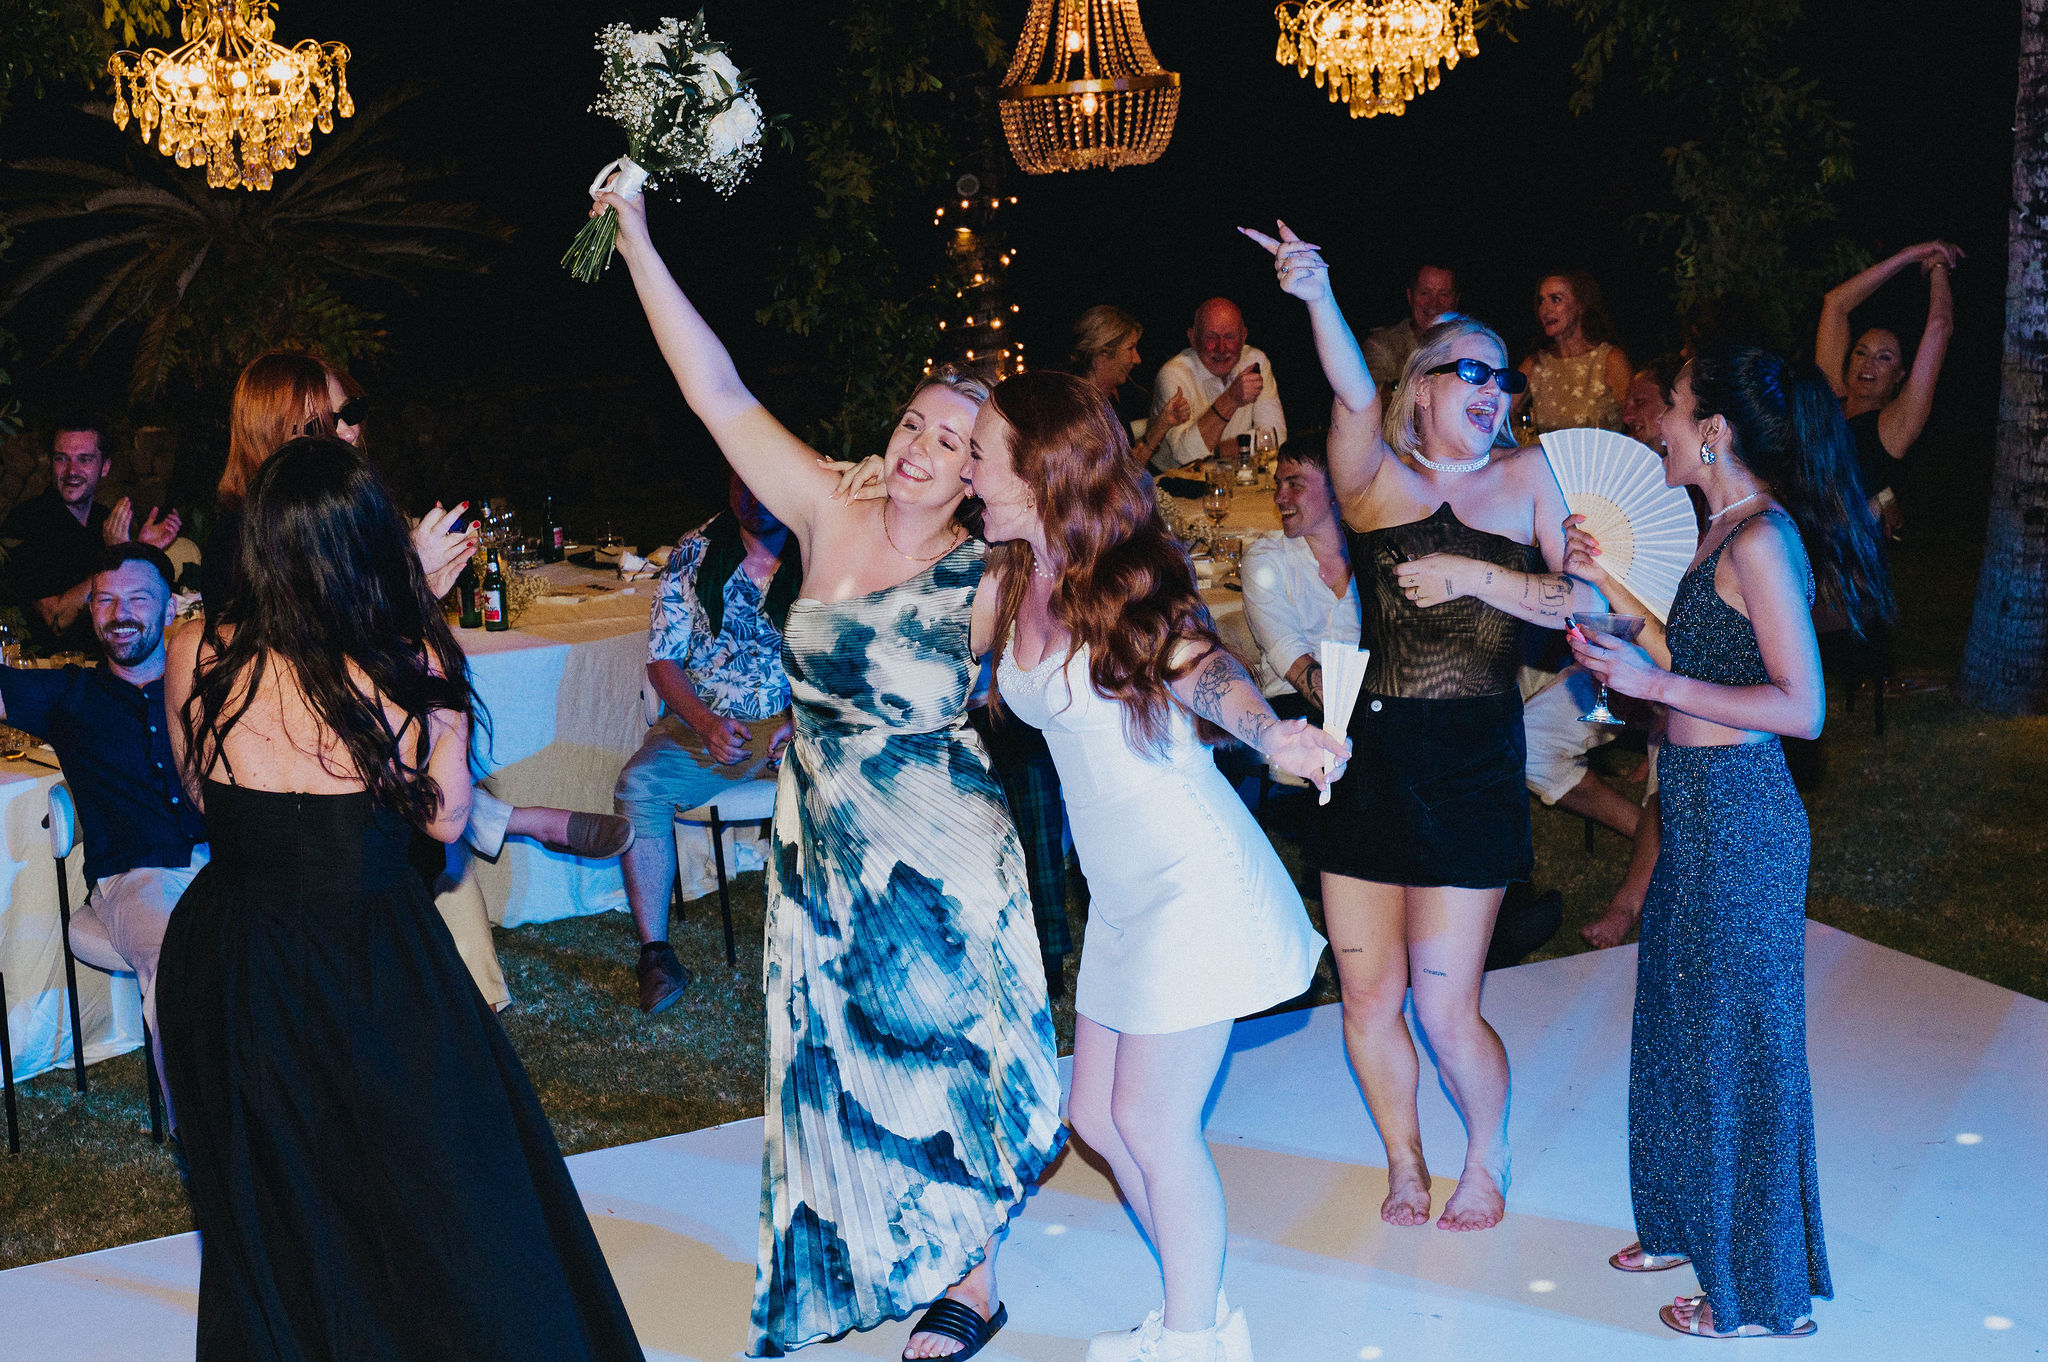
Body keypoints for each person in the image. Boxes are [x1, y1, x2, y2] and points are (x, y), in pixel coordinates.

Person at [597, 183, 1063, 1361]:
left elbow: (1104, 610)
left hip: (939, 842)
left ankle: (972, 1282)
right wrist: (636, 239)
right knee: (838, 1050)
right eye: (912, 423)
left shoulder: (994, 572)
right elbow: (715, 390)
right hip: (821, 836)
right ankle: (873, 1242)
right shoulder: (823, 507)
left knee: (945, 1044)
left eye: (950, 441)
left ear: (981, 471)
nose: (916, 448)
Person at [158, 436, 645, 1361]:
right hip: (364, 958)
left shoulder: (197, 649)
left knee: (274, 1201)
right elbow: (446, 820)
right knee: (443, 1195)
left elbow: (198, 793)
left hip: (231, 955)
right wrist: (420, 625)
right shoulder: (400, 664)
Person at [966, 370, 1343, 1362]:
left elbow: (1199, 665)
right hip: (1124, 894)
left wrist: (1272, 733)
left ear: (1040, 469)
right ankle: (1198, 1305)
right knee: (1093, 1113)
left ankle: (1192, 1337)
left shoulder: (1125, 575)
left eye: (979, 454)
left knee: (1148, 1118)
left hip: (1190, 877)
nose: (967, 470)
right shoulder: (1014, 570)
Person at [1243, 221, 1609, 1234]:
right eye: (1469, 372)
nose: (1493, 390)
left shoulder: (1530, 477)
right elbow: (1351, 395)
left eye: (1502, 377)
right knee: (1369, 999)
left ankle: (1485, 1154)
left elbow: (1583, 603)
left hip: (1471, 763)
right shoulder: (1373, 481)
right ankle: (1405, 1159)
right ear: (1422, 388)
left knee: (1447, 1011)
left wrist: (1475, 576)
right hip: (1368, 760)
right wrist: (1315, 294)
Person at [1569, 345, 1891, 1339]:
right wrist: (1615, 616)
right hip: (1695, 805)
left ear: (1711, 430)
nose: (1654, 424)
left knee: (1734, 1049)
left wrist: (1655, 684)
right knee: (1675, 1025)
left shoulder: (1760, 539)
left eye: (1667, 407)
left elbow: (1801, 707)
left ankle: (1756, 1295)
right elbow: (1704, 655)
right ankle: (1681, 1224)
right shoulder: (1718, 530)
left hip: (1743, 815)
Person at [213, 351, 634, 867]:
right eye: (326, 421)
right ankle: (510, 819)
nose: (349, 430)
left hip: (376, 760)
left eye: (353, 412)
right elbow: (314, 668)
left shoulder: (349, 514)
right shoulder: (243, 540)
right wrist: (410, 578)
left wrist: (419, 587)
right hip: (324, 796)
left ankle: (501, 817)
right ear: (274, 433)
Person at [0, 543, 206, 1104]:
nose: (120, 614)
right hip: (137, 879)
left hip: (226, 863)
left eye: (138, 599)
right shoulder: (70, 694)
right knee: (177, 965)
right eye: (105, 600)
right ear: (90, 610)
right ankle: (205, 1132)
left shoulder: (208, 683)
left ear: (170, 609)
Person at [615, 471, 798, 1014]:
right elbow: (663, 659)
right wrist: (703, 721)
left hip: (796, 719)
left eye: (763, 479)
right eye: (741, 482)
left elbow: (843, 651)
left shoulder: (820, 546)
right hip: (710, 721)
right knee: (638, 786)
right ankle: (655, 955)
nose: (753, 495)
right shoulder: (695, 552)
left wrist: (802, 719)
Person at [1814, 239, 1961, 534]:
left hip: (1836, 556)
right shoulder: (1829, 399)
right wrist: (1907, 255)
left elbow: (1939, 327)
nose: (1869, 363)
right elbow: (1835, 304)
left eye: (1885, 357)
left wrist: (1938, 266)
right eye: (1861, 352)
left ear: (1898, 376)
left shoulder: (1893, 427)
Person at [2, 416, 180, 652]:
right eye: (61, 458)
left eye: (84, 459)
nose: (71, 471)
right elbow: (57, 620)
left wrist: (142, 552)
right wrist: (115, 556)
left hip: (106, 660)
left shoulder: (103, 519)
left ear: (105, 467)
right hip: (45, 665)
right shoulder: (27, 521)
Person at [1240, 432, 1358, 717]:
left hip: (1368, 706)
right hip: (1293, 710)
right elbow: (1292, 658)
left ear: (1336, 487)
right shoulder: (1267, 560)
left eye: (1295, 484)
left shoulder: (1372, 556)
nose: (1279, 497)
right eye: (1278, 484)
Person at [1149, 298, 1287, 472]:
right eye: (1211, 337)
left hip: (1234, 474)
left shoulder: (1255, 361)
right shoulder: (1173, 374)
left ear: (1243, 336)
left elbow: (1275, 438)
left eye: (1229, 337)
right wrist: (1230, 399)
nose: (1221, 348)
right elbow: (1185, 456)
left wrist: (1217, 451)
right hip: (1175, 480)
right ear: (1193, 338)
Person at [1070, 304, 1190, 466]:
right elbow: (1118, 475)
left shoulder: (1110, 396)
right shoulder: (1079, 409)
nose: (1137, 359)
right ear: (1104, 352)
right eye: (1130, 348)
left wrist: (1163, 423)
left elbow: (1127, 464)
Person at [1516, 271, 1633, 435]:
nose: (1545, 309)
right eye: (1541, 301)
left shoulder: (1609, 359)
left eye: (1555, 299)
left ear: (1580, 305)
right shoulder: (1537, 363)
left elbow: (1636, 418)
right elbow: (1499, 408)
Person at [1363, 264, 1460, 393]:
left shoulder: (1471, 346)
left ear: (1456, 300)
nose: (1433, 303)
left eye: (1443, 295)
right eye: (1424, 293)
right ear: (1410, 296)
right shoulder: (1382, 345)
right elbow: (1367, 394)